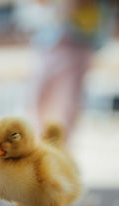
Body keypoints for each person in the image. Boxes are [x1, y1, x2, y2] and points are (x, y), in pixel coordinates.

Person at [32, 0, 117, 137]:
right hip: (52, 41)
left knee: (66, 103)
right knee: (40, 101)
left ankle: (57, 146)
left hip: (78, 41)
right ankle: (39, 144)